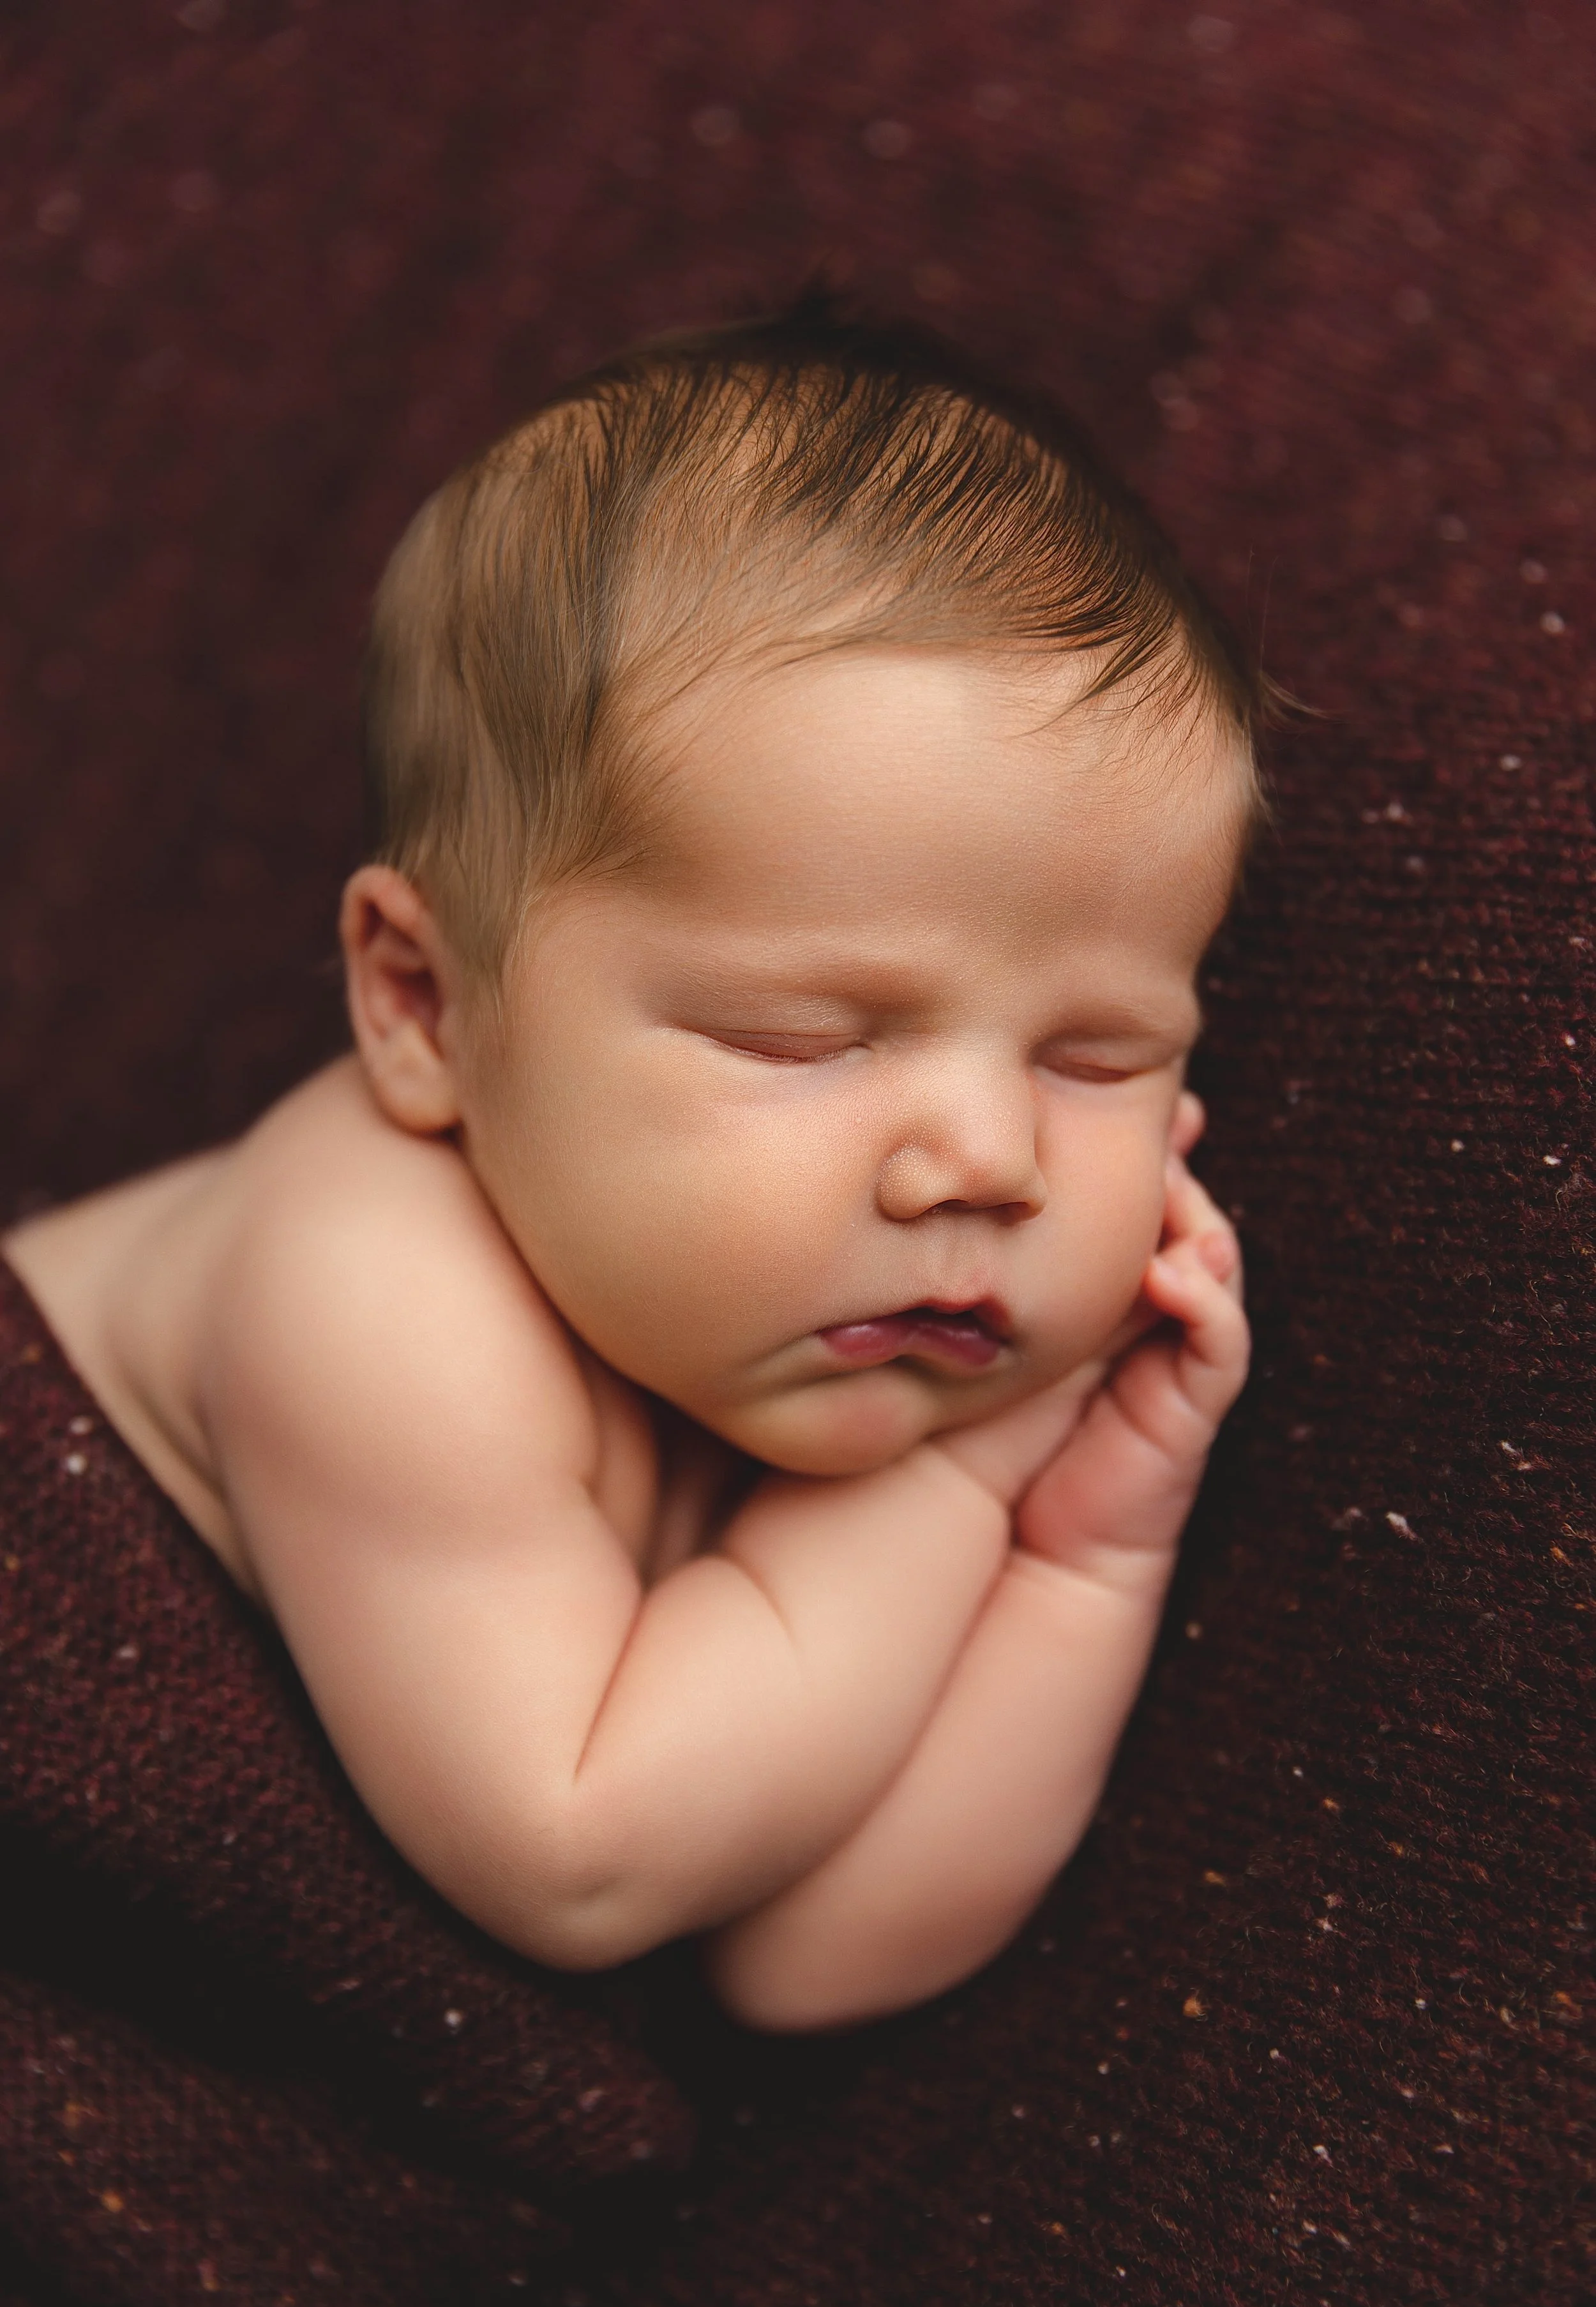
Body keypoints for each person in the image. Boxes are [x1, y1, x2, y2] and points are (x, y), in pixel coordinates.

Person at [3, 300, 1258, 2036]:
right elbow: (584, 1848)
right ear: (425, 1004)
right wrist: (955, 1500)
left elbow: (804, 1960)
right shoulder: (366, 1277)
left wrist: (1077, 1563)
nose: (987, 1158)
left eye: (1092, 1057)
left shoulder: (778, 1322)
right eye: (805, 1037)